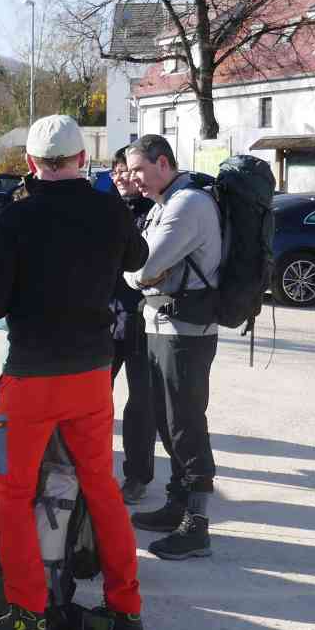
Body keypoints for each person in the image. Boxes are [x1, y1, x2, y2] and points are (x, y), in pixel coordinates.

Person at [0, 115, 144, 630]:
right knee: (102, 488)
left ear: (30, 163)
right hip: (91, 374)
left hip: (30, 377)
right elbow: (137, 259)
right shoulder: (109, 208)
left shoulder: (19, 215)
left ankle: (26, 615)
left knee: (14, 494)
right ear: (82, 159)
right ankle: (126, 610)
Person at [124, 133, 223, 560]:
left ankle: (196, 525)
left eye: (140, 170)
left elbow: (142, 267)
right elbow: (142, 269)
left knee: (185, 424)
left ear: (163, 163)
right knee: (167, 422)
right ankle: (177, 503)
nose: (134, 178)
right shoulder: (165, 203)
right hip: (162, 323)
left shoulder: (187, 205)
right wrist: (139, 274)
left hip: (185, 331)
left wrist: (136, 275)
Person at [109, 146, 156, 502]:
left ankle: (137, 475)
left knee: (141, 403)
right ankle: (85, 467)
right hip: (105, 319)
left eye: (125, 169)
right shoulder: (105, 210)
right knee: (93, 398)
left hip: (142, 321)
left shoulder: (155, 212)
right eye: (115, 171)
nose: (120, 176)